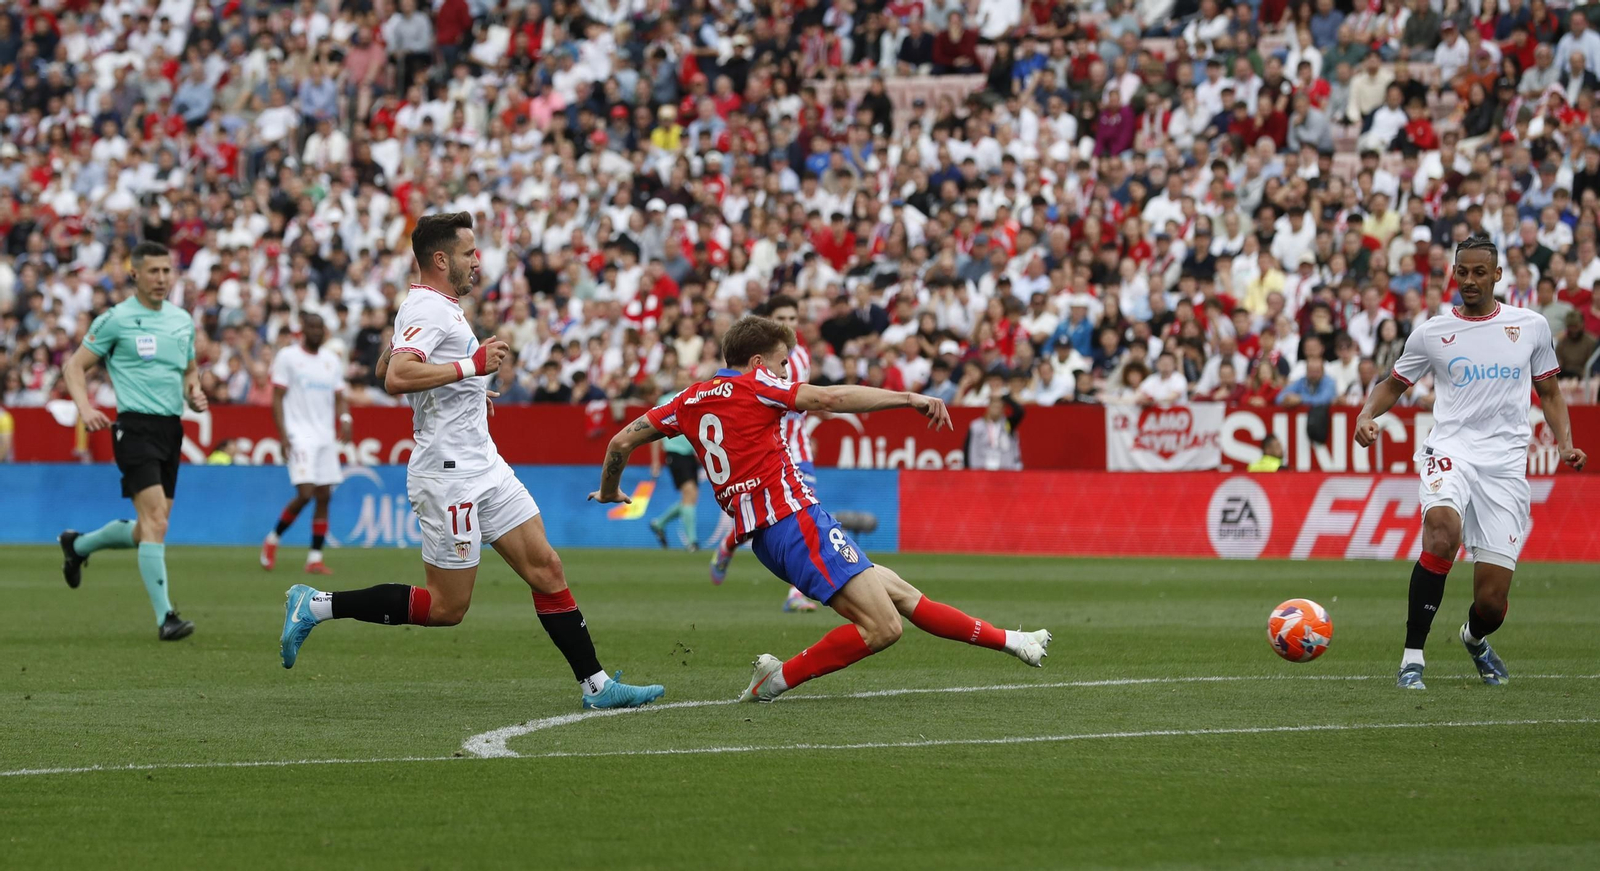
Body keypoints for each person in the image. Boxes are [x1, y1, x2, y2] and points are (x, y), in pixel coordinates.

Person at [278, 212, 664, 711]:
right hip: (449, 476)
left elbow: (386, 362)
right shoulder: (428, 307)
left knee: (547, 568)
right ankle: (315, 605)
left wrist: (471, 388)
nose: (477, 261)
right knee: (447, 607)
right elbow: (395, 377)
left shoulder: (436, 306)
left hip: (485, 465)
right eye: (468, 253)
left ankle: (596, 685)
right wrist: (471, 366)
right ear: (441, 260)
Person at [591, 315, 1052, 703]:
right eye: (781, 363)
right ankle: (777, 680)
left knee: (899, 593)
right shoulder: (757, 385)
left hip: (773, 535)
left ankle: (1013, 641)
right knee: (883, 627)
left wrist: (610, 490)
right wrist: (909, 398)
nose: (785, 372)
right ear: (758, 363)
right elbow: (830, 398)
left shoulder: (687, 400)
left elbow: (620, 442)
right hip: (794, 524)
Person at [1355, 235, 1587, 691]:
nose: (1470, 280)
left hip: (1504, 467)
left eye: (1480, 272)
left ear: (1497, 275)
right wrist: (1366, 415)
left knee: (1492, 605)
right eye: (1462, 272)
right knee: (1442, 532)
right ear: (1454, 274)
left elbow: (1551, 393)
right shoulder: (1433, 332)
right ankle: (1412, 658)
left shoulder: (1531, 326)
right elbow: (1393, 383)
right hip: (1451, 451)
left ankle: (1474, 639)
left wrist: (1564, 444)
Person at [57, 242, 204, 642]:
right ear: (135, 274)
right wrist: (85, 408)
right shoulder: (116, 319)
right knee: (156, 522)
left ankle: (78, 546)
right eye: (153, 271)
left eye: (166, 271)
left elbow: (189, 371)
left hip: (171, 429)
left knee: (148, 529)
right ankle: (166, 618)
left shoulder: (181, 321)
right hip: (134, 428)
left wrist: (194, 392)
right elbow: (74, 367)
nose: (161, 278)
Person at [708, 295, 817, 612]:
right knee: (758, 519)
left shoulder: (803, 357)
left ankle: (796, 593)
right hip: (765, 451)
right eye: (782, 318)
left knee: (806, 517)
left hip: (797, 448)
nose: (789, 324)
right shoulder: (758, 362)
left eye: (794, 318)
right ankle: (728, 544)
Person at [261, 313, 351, 574]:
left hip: (325, 436)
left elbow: (340, 396)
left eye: (319, 327)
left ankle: (314, 558)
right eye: (311, 327)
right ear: (302, 330)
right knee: (305, 493)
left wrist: (345, 418)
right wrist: (283, 435)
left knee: (324, 495)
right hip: (299, 435)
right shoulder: (288, 357)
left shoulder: (331, 360)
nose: (316, 331)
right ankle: (273, 538)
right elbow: (277, 397)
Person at [648, 369, 704, 553]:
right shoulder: (665, 400)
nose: (683, 381)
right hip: (675, 452)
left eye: (686, 378)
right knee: (690, 492)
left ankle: (659, 523)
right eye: (680, 378)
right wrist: (655, 461)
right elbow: (654, 432)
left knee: (690, 497)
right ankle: (692, 542)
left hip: (690, 454)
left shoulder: (695, 400)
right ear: (675, 381)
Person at [965, 394, 1024, 470]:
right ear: (988, 408)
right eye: (994, 407)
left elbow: (1020, 412)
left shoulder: (1008, 424)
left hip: (1004, 468)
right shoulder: (976, 426)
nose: (996, 410)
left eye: (998, 407)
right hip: (982, 467)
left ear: (1003, 410)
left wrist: (1006, 397)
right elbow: (968, 449)